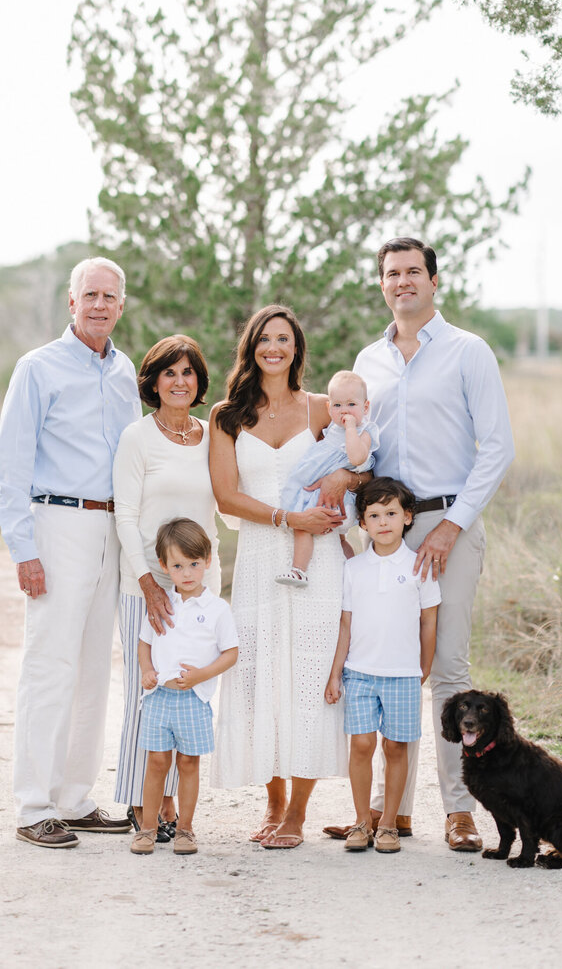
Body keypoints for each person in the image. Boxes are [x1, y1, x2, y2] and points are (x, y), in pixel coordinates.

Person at [324, 237, 514, 851]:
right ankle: (389, 813)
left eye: (413, 272)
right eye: (391, 273)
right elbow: (364, 447)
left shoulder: (468, 352)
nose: (402, 281)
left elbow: (498, 447)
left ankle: (459, 811)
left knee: (447, 669)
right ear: (382, 284)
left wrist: (454, 525)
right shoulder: (367, 361)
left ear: (434, 280)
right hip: (382, 532)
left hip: (446, 525)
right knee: (381, 664)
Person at [0, 256, 141, 848]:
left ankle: (74, 798)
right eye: (90, 295)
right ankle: (32, 806)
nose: (100, 304)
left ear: (121, 306)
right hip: (57, 523)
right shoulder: (38, 368)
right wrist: (23, 549)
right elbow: (9, 470)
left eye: (110, 296)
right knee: (49, 665)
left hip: (111, 530)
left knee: (93, 670)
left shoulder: (125, 370)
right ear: (70, 302)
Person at [209, 304, 349, 849]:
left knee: (309, 673)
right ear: (251, 346)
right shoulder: (227, 416)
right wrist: (286, 516)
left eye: (284, 339)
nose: (275, 348)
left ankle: (297, 811)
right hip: (261, 558)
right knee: (260, 673)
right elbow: (226, 494)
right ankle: (271, 797)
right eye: (265, 339)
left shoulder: (319, 409)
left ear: (297, 349)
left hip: (318, 556)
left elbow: (362, 457)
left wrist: (343, 474)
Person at [113, 335, 221, 841]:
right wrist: (147, 582)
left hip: (200, 586)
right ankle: (145, 802)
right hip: (147, 585)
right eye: (169, 373)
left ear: (199, 381)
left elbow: (225, 506)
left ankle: (174, 801)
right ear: (153, 383)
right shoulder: (138, 437)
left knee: (191, 691)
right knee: (149, 688)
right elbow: (126, 514)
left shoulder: (212, 434)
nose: (180, 382)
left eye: (188, 373)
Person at [325, 477, 439, 854]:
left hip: (403, 674)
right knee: (361, 745)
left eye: (391, 513)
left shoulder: (420, 565)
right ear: (363, 524)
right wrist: (336, 671)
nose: (384, 522)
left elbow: (428, 621)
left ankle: (388, 823)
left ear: (408, 517)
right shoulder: (354, 569)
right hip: (359, 672)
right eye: (374, 515)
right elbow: (345, 623)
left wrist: (423, 666)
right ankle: (362, 822)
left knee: (395, 748)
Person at [130, 518, 238, 856]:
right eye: (178, 566)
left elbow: (231, 653)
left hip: (194, 698)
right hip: (160, 697)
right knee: (156, 762)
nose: (187, 573)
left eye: (194, 564)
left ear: (207, 561)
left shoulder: (218, 609)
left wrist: (201, 675)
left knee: (189, 763)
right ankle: (148, 828)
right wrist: (147, 670)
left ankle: (186, 829)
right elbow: (144, 643)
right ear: (164, 566)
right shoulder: (162, 602)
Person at [275, 369, 379, 587]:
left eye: (352, 404)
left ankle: (300, 570)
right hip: (317, 489)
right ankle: (302, 570)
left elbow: (357, 457)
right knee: (311, 528)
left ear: (365, 407)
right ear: (328, 407)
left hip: (341, 495)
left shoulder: (365, 431)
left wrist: (351, 427)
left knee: (316, 529)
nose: (344, 411)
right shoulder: (331, 428)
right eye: (338, 405)